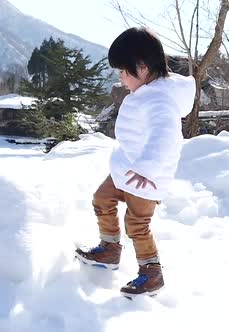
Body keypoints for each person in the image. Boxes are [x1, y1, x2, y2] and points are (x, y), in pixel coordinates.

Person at [75, 27, 196, 298]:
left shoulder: (160, 101)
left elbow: (164, 138)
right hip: (126, 170)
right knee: (101, 199)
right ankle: (109, 249)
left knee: (137, 225)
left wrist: (147, 168)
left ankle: (152, 273)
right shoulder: (146, 92)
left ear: (141, 67)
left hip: (145, 177)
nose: (120, 78)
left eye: (122, 72)